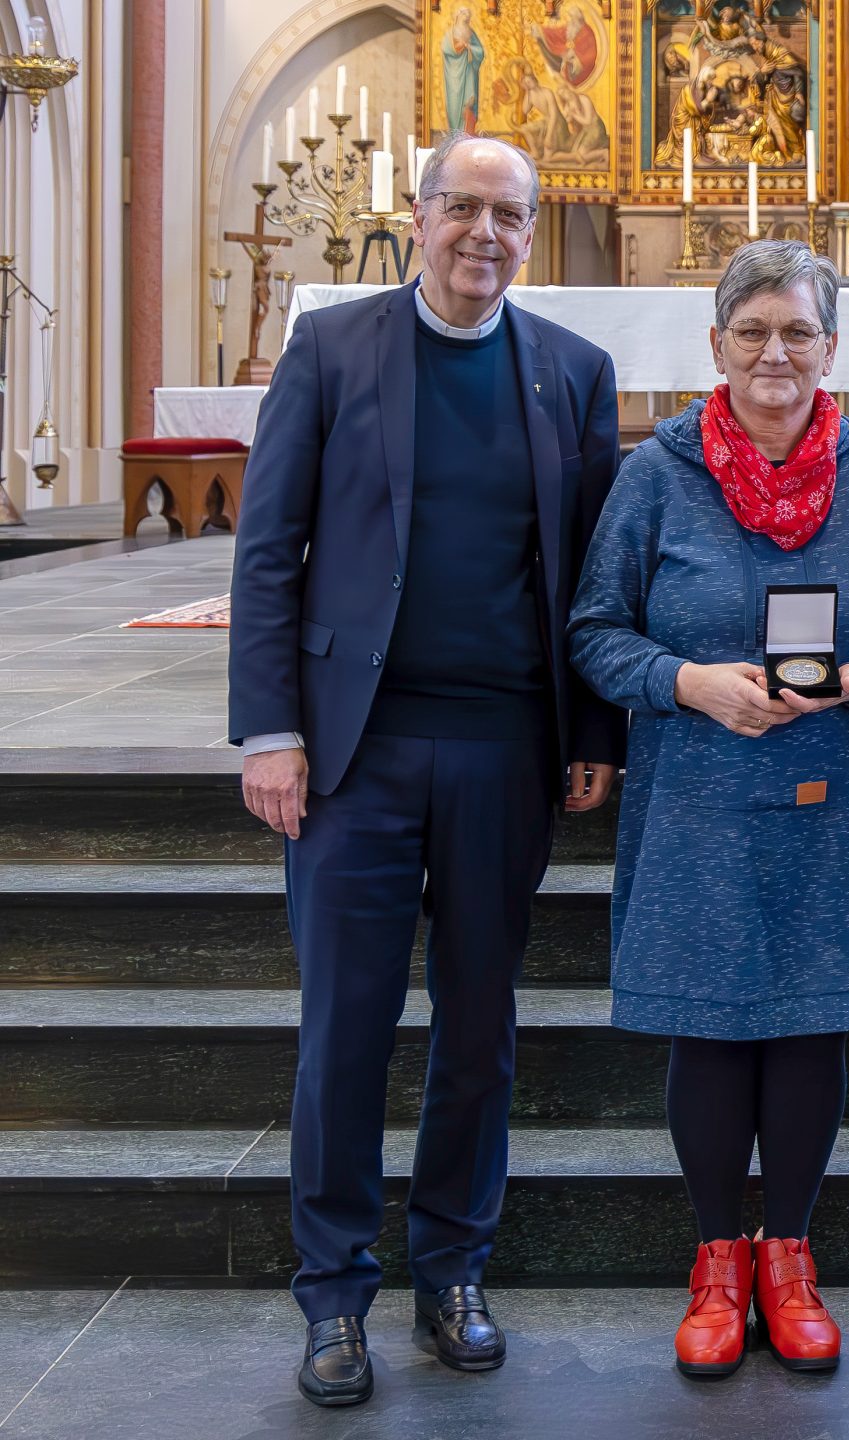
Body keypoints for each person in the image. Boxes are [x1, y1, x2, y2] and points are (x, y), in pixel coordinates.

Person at [226, 135, 624, 1408]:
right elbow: (267, 546)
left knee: (480, 1030)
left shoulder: (573, 371)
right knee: (346, 1029)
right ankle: (333, 1295)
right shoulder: (333, 350)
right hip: (355, 753)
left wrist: (592, 737)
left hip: (507, 748)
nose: (483, 234)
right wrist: (269, 729)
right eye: (462, 207)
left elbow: (592, 579)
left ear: (531, 229)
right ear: (419, 212)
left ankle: (453, 1268)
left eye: (508, 215)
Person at [567, 240, 849, 1381]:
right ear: (716, 344)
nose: (777, 352)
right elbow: (593, 631)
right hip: (695, 792)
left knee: (810, 1021)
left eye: (799, 332)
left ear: (830, 347)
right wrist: (687, 683)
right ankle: (718, 1261)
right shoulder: (656, 474)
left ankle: (791, 1260)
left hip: (828, 788)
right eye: (754, 331)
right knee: (711, 1026)